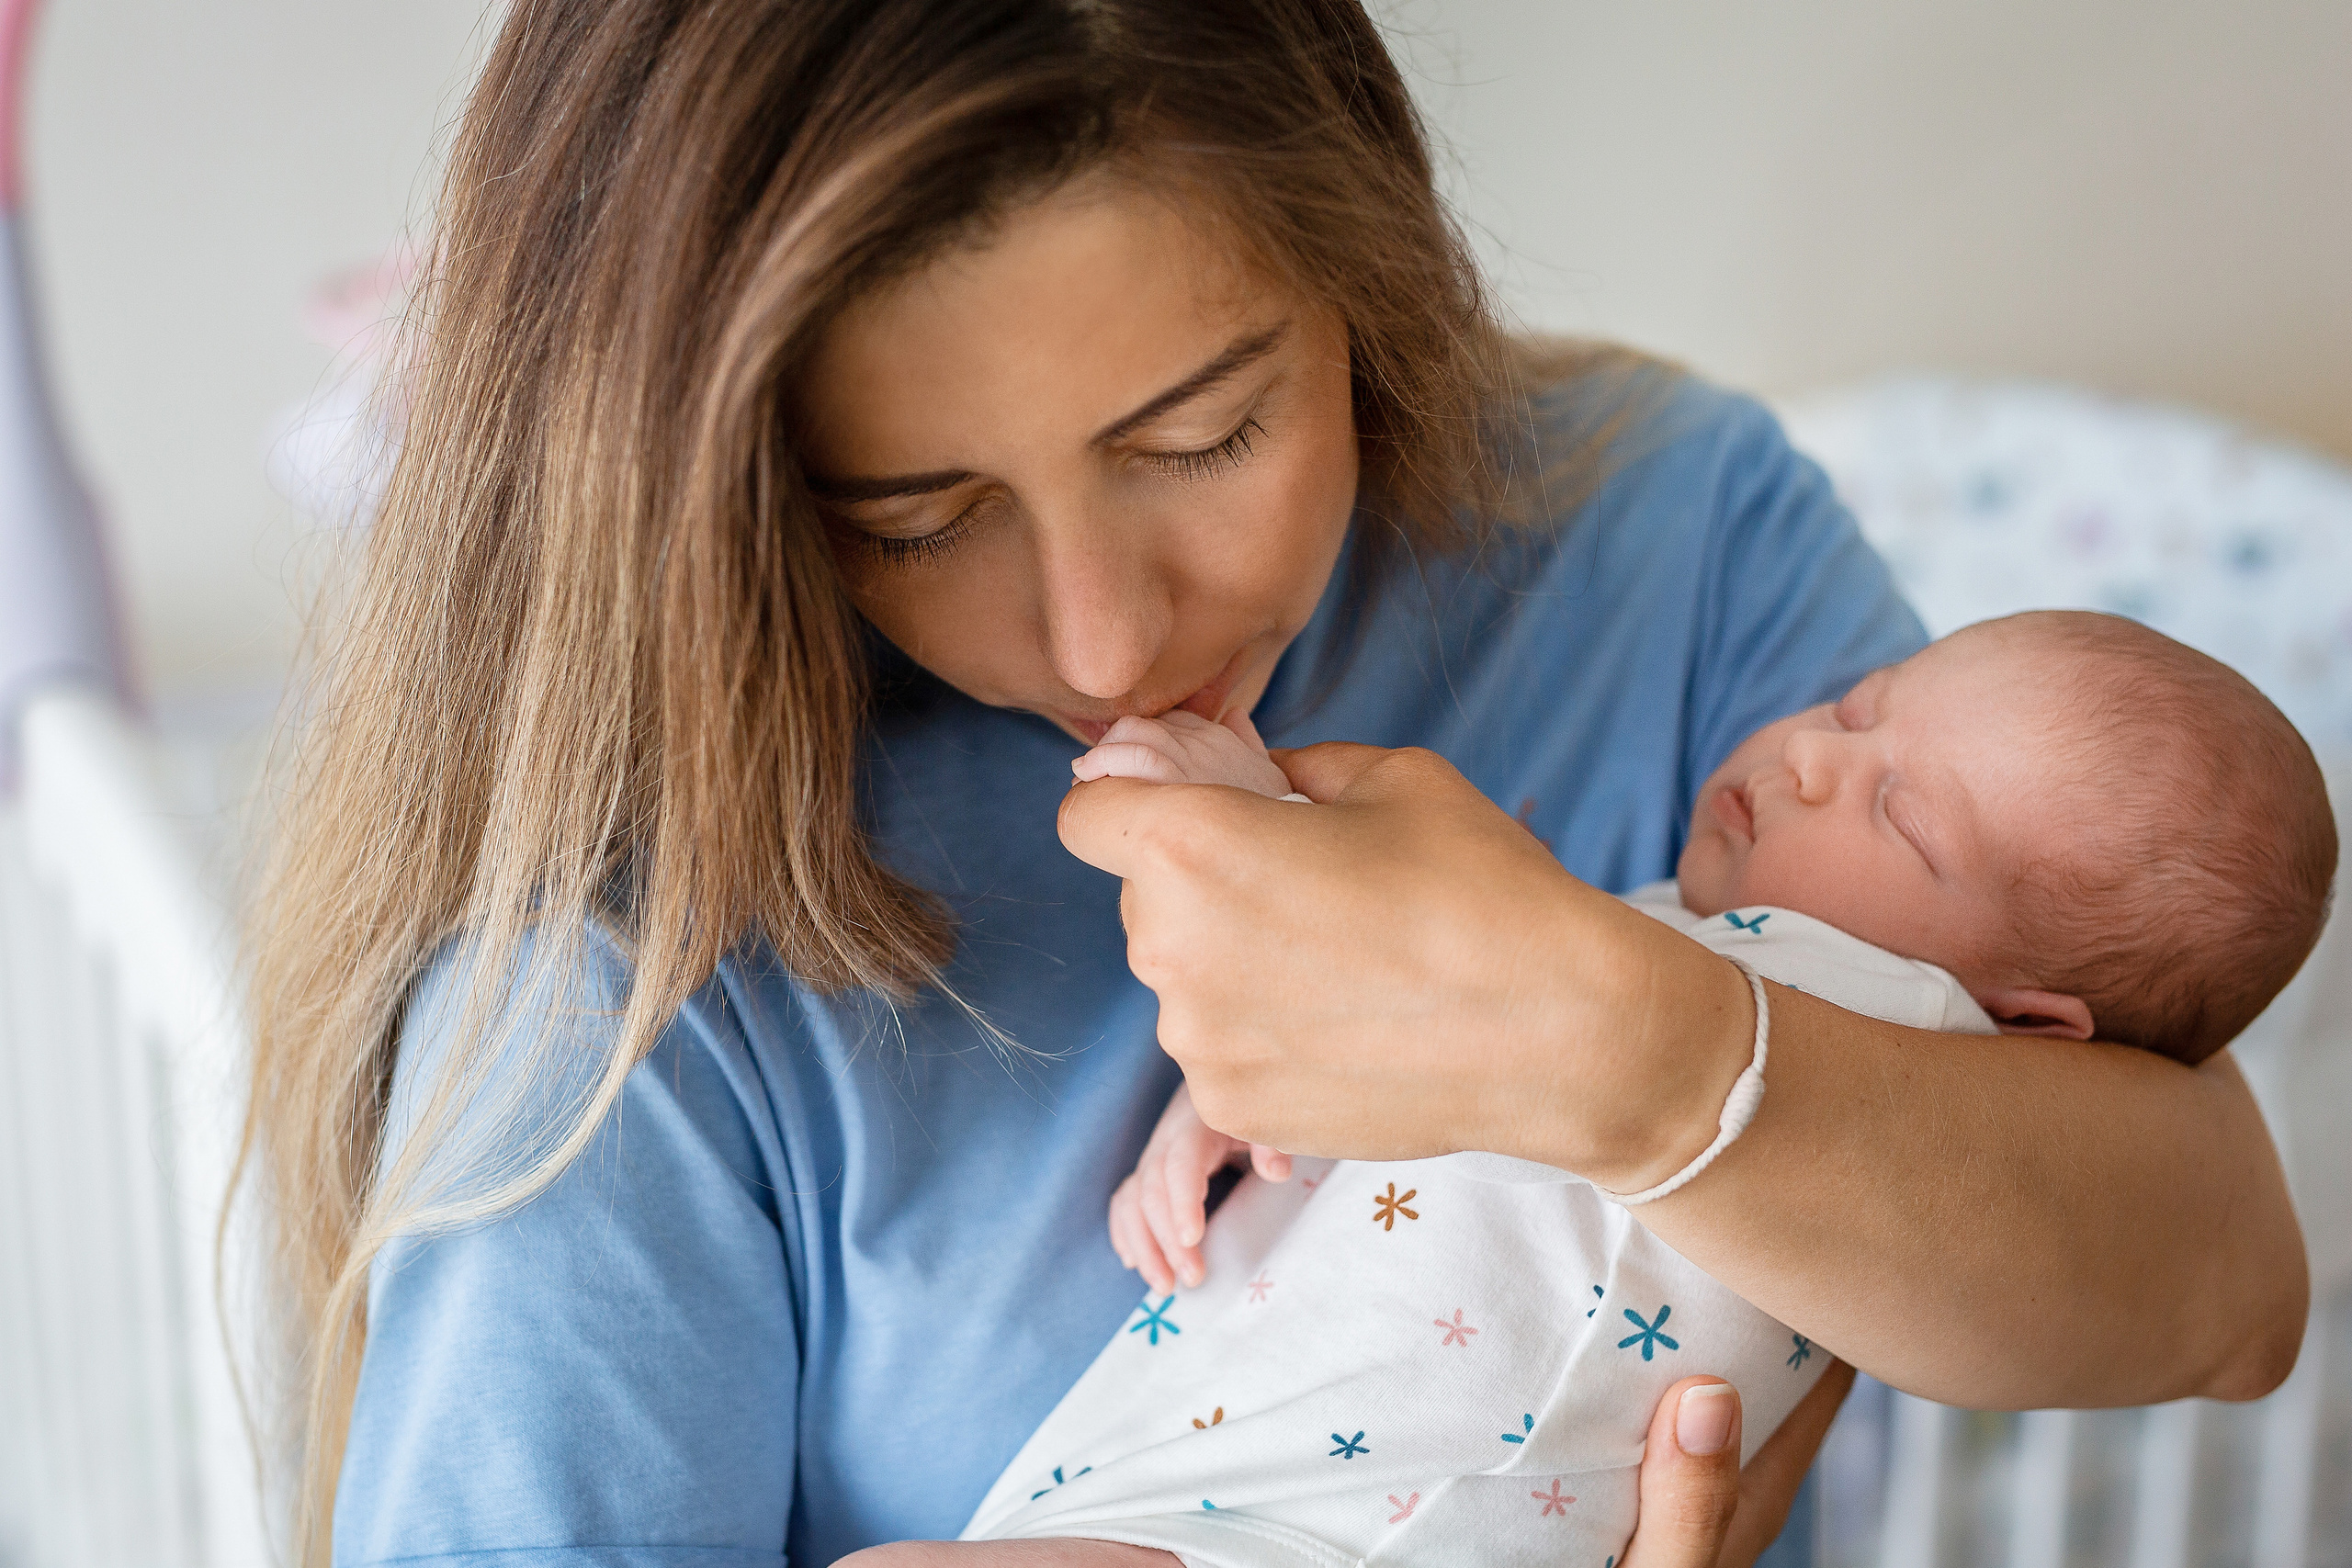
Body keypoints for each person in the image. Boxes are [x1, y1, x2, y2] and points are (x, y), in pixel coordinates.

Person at [239, 5, 2310, 1568]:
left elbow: (2213, 1280)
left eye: (1199, 434)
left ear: (1366, 277)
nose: (1101, 643)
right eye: (915, 510)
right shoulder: (609, 962)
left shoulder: (1651, 531)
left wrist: (1623, 1046)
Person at [898, 613, 2336, 1566]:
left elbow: (1499, 1035)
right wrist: (1242, 1091)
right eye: (1856, 709)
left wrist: (1253, 818)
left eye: (1901, 811)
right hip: (1234, 1495)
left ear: (2026, 1023)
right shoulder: (1708, 954)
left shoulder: (1897, 1016)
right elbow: (1425, 1050)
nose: (1821, 755)